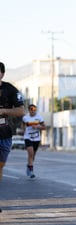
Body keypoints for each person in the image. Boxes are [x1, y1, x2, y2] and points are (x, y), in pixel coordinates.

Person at [0, 61, 25, 213]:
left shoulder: (10, 90)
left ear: (2, 73)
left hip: (4, 135)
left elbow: (21, 111)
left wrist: (4, 111)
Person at [22, 104, 46, 178]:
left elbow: (44, 127)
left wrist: (38, 126)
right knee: (31, 154)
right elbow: (22, 126)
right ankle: (31, 171)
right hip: (28, 137)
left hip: (36, 138)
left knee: (33, 156)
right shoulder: (25, 118)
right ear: (29, 110)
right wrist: (23, 130)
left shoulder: (39, 117)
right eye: (32, 110)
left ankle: (29, 166)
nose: (33, 111)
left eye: (34, 110)